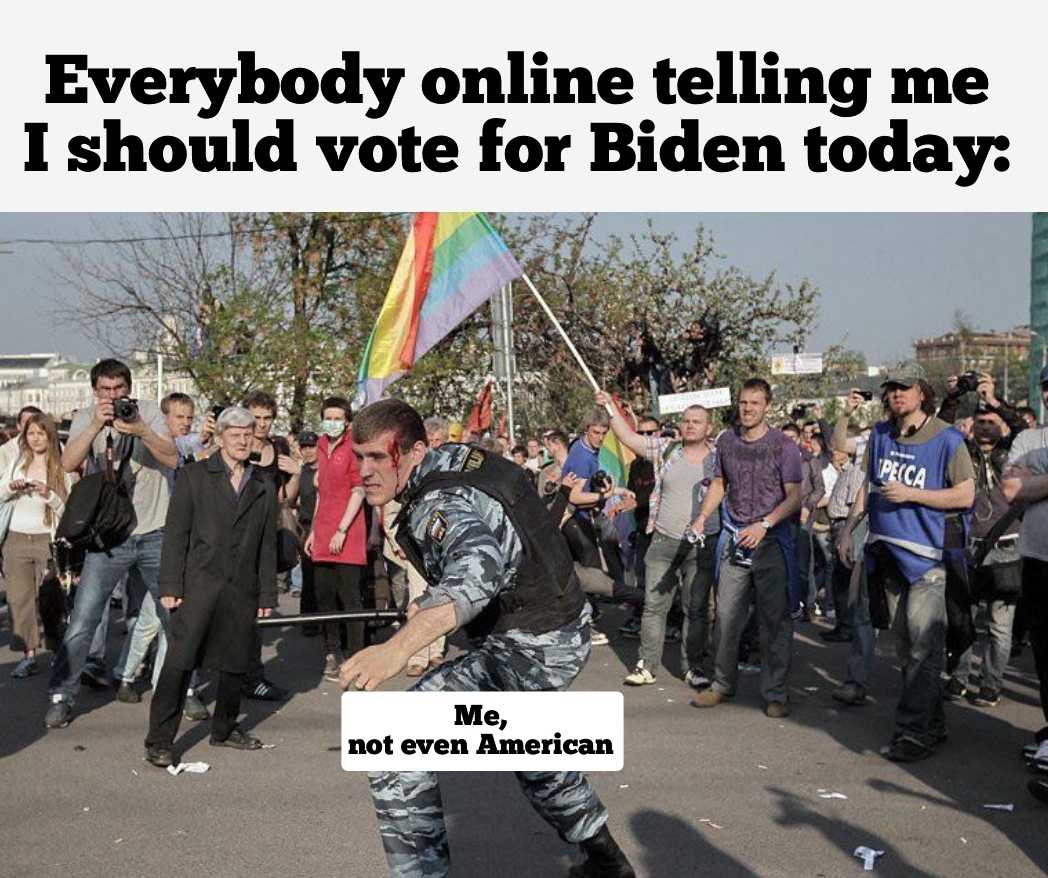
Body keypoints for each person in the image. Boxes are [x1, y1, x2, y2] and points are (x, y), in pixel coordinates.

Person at [340, 399, 634, 878]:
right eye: (359, 458)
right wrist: (433, 600)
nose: (365, 471)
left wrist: (395, 649)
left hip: (531, 643)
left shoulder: (437, 502)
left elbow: (477, 575)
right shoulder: (456, 460)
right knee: (531, 748)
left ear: (415, 450)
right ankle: (607, 863)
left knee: (395, 741)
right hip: (553, 623)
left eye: (378, 457)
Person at [837, 367, 975, 762]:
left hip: (928, 559)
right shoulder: (880, 435)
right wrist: (850, 528)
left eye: (905, 388)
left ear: (922, 393)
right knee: (906, 650)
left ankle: (912, 731)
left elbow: (965, 495)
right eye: (891, 389)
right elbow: (867, 486)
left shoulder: (948, 439)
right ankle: (932, 724)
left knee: (924, 649)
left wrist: (913, 493)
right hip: (886, 556)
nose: (896, 394)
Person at [45, 359, 178, 729]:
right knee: (83, 619)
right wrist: (94, 424)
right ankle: (61, 695)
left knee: (173, 617)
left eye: (119, 389)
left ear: (129, 389)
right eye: (105, 390)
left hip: (154, 531)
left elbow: (172, 458)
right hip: (108, 539)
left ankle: (187, 690)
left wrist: (139, 430)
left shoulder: (147, 412)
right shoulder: (87, 415)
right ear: (95, 391)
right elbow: (70, 463)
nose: (113, 396)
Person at [143, 407, 278, 767]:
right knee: (180, 661)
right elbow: (176, 535)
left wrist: (267, 592)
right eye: (235, 434)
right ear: (220, 438)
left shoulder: (263, 483)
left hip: (242, 587)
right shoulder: (194, 476)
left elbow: (267, 543)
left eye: (248, 434)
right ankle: (159, 740)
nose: (242, 440)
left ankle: (226, 728)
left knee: (235, 661)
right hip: (198, 584)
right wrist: (170, 585)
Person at [690, 378, 802, 718]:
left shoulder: (783, 445)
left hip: (771, 540)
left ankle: (775, 692)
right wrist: (702, 516)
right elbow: (720, 483)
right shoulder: (726, 442)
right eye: (743, 402)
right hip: (734, 538)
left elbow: (795, 495)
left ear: (767, 405)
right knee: (725, 616)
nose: (747, 408)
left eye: (754, 403)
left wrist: (765, 524)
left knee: (774, 620)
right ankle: (722, 685)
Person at [597, 392, 719, 690]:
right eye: (686, 421)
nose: (690, 426)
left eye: (697, 421)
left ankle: (694, 667)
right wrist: (610, 408)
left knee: (697, 608)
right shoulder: (666, 449)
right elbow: (626, 436)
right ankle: (647, 665)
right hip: (663, 542)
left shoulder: (720, 456)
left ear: (709, 427)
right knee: (653, 606)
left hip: (702, 544)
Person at [1, 413, 74, 678]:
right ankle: (28, 655)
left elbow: (68, 510)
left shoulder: (61, 464)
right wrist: (12, 487)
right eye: (31, 433)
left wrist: (49, 495)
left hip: (47, 540)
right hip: (16, 538)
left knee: (51, 601)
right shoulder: (18, 462)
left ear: (50, 435)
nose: (35, 438)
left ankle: (56, 652)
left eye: (41, 433)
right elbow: (0, 494)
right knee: (19, 601)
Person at [304, 396, 368, 682]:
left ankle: (358, 656)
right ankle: (332, 652)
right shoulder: (320, 445)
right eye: (327, 417)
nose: (332, 422)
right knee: (325, 596)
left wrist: (342, 530)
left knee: (350, 596)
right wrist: (315, 530)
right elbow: (321, 492)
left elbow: (359, 490)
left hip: (348, 531)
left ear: (347, 421)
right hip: (324, 528)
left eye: (337, 417)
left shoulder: (353, 447)